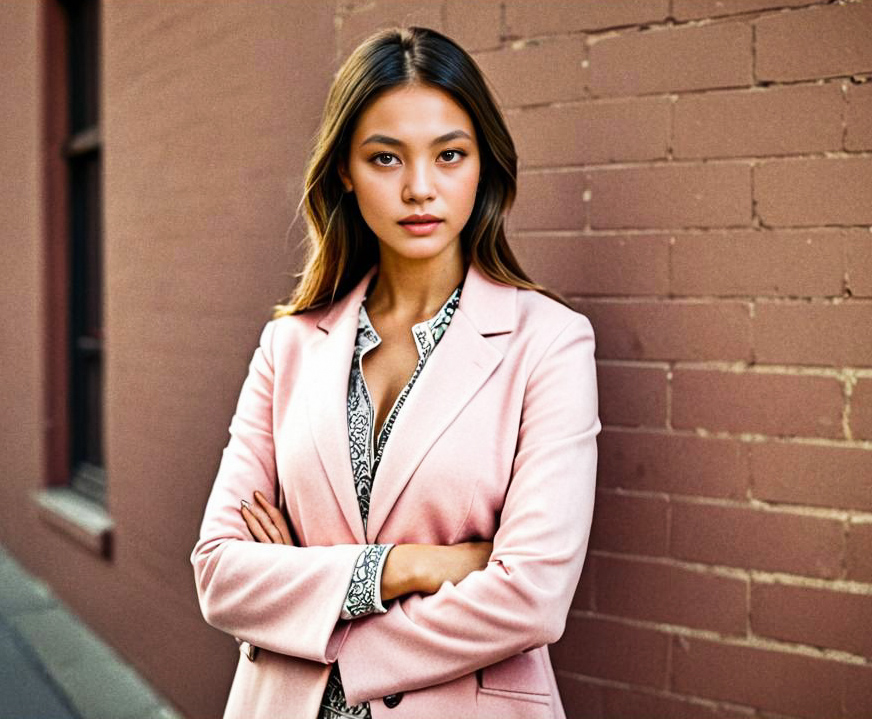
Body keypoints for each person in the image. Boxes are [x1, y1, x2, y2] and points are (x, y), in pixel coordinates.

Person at [190, 25, 600, 719]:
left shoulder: (548, 343)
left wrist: (311, 601)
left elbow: (530, 597)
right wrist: (409, 565)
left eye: (448, 155)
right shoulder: (287, 345)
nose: (419, 188)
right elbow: (221, 575)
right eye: (385, 157)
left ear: (483, 165)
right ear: (345, 171)